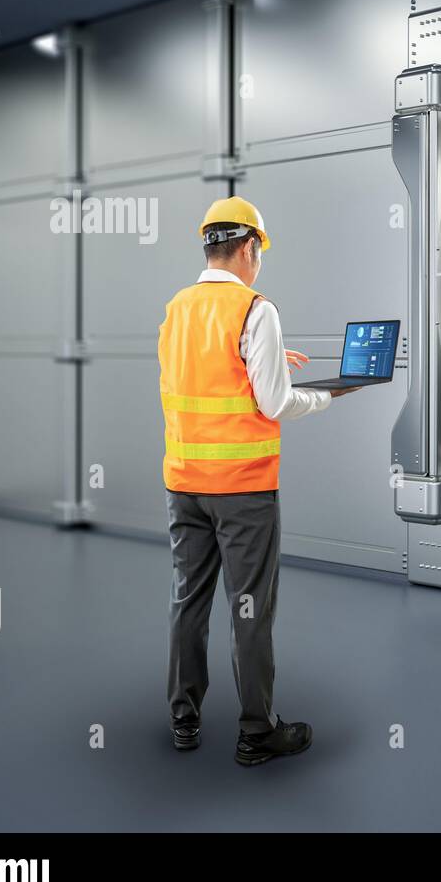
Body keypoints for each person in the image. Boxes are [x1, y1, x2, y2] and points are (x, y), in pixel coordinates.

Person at [156, 196, 357, 765]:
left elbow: (202, 378)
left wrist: (264, 358)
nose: (258, 264)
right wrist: (326, 396)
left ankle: (183, 721)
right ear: (248, 248)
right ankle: (256, 731)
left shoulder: (177, 308)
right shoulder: (255, 309)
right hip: (242, 489)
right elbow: (273, 404)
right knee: (249, 606)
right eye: (258, 253)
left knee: (188, 601)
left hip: (185, 483)